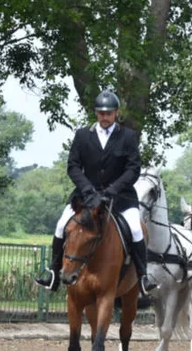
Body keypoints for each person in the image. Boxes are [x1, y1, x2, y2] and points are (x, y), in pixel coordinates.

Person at [35, 91, 157, 296]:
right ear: (96, 113)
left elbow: (133, 169)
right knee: (60, 225)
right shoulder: (83, 135)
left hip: (121, 197)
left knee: (136, 229)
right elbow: (73, 166)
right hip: (85, 197)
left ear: (116, 113)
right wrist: (88, 190)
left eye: (109, 113)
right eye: (101, 113)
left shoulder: (127, 136)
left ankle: (143, 277)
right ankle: (54, 273)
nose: (104, 116)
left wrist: (112, 190)